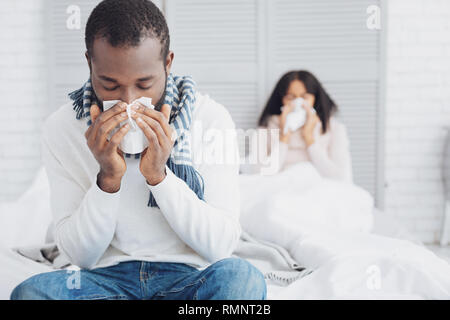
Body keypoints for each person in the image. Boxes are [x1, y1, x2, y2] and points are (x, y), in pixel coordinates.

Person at [10, 0, 266, 300]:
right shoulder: (62, 127)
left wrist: (160, 177)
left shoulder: (209, 119)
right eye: (110, 85)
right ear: (90, 63)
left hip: (188, 278)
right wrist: (108, 179)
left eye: (144, 84)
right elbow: (80, 256)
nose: (128, 101)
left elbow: (219, 246)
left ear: (167, 63)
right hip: (103, 280)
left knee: (243, 280)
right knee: (30, 293)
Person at [257, 70, 353, 181]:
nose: (298, 103)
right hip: (282, 191)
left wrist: (309, 138)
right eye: (290, 97)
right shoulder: (266, 129)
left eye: (305, 97)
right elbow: (260, 177)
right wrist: (284, 137)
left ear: (315, 99)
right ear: (281, 100)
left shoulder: (334, 129)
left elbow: (341, 178)